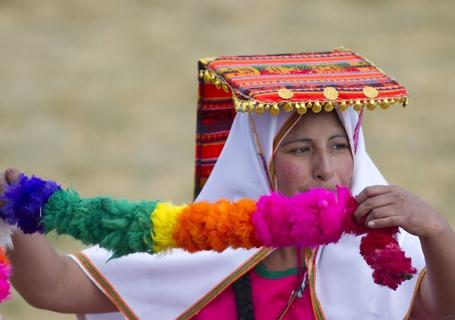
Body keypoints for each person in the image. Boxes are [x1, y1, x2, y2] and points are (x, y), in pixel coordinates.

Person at [1, 49, 455, 319]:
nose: (326, 169)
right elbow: (54, 287)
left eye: (339, 146)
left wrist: (435, 231)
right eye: (299, 150)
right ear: (260, 163)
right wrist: (14, 205)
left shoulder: (382, 254)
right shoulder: (195, 244)